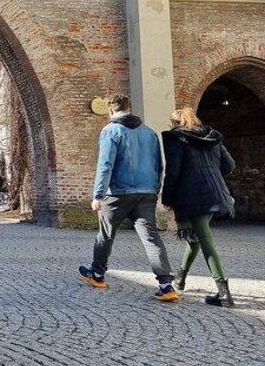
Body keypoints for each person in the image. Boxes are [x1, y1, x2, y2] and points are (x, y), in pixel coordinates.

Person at [78, 94, 178, 302]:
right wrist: (154, 189)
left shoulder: (110, 131)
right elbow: (159, 165)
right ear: (130, 109)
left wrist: (98, 194)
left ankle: (97, 274)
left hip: (117, 194)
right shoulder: (149, 133)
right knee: (151, 237)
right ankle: (166, 284)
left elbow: (105, 164)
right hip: (146, 193)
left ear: (111, 111)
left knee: (105, 234)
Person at [162, 107, 236, 307]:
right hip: (216, 193)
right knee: (196, 238)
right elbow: (230, 166)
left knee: (205, 242)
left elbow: (173, 172)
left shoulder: (177, 140)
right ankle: (180, 278)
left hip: (192, 197)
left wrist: (166, 197)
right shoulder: (213, 138)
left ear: (175, 124)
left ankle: (223, 293)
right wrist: (211, 173)